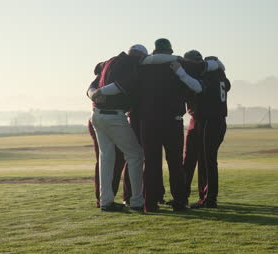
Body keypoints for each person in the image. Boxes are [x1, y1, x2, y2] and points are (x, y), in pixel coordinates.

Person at [137, 38, 207, 212]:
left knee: (151, 163)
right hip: (172, 121)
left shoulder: (145, 66)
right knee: (175, 163)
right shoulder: (177, 65)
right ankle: (180, 201)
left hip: (149, 121)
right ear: (170, 51)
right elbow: (197, 88)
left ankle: (150, 203)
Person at [87, 44, 148, 211]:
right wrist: (102, 93)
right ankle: (136, 201)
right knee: (135, 155)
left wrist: (95, 93)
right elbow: (122, 85)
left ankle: (105, 201)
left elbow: (90, 88)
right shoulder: (131, 63)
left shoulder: (109, 62)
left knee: (106, 158)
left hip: (96, 115)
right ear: (139, 55)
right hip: (113, 116)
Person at [182, 50, 230, 208]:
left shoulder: (206, 77)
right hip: (204, 120)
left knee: (206, 161)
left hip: (209, 120)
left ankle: (208, 198)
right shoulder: (219, 74)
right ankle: (183, 195)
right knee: (192, 159)